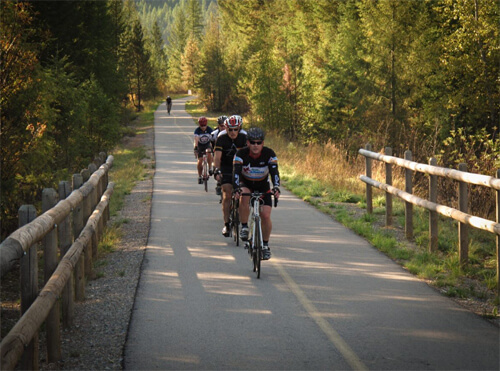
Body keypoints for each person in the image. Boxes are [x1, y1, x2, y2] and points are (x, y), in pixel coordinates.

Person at [233, 127, 280, 260]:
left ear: (263, 143)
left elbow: (274, 172)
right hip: (246, 183)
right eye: (252, 142)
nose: (255, 145)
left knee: (265, 215)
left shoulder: (269, 153)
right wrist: (236, 187)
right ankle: (244, 226)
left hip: (262, 185)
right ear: (247, 143)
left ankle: (265, 245)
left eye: (258, 142)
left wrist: (276, 187)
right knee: (244, 195)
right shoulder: (241, 154)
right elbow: (235, 172)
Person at [213, 115, 247, 236]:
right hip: (226, 167)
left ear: (239, 128)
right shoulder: (221, 138)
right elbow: (217, 157)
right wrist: (216, 170)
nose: (232, 132)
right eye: (230, 129)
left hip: (241, 168)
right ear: (225, 129)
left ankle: (244, 223)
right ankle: (226, 224)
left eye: (235, 129)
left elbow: (249, 156)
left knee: (244, 195)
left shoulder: (244, 137)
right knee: (227, 194)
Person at [193, 116, 214, 184]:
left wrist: (213, 147)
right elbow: (196, 140)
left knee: (208, 151)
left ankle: (210, 168)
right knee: (200, 161)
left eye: (204, 125)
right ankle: (199, 176)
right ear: (199, 125)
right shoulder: (197, 130)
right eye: (201, 126)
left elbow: (212, 139)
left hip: (207, 144)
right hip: (200, 146)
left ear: (206, 124)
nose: (203, 127)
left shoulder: (210, 130)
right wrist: (196, 148)